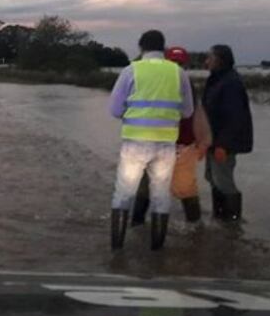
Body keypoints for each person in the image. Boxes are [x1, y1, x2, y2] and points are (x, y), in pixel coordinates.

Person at [108, 30, 194, 250]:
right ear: (163, 49)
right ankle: (157, 252)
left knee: (124, 194)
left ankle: (117, 250)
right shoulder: (178, 73)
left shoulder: (131, 71)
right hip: (166, 144)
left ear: (141, 47)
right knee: (160, 196)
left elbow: (115, 109)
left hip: (135, 143)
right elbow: (187, 112)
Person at [131, 46, 212, 224]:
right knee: (145, 188)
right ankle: (137, 225)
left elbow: (197, 114)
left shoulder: (186, 85)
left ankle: (195, 229)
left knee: (186, 188)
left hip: (182, 145)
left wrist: (203, 141)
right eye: (173, 62)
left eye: (180, 63)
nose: (177, 66)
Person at [202, 44, 253, 221]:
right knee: (212, 178)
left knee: (223, 181)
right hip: (212, 140)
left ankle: (232, 223)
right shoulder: (217, 79)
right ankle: (219, 218)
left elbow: (235, 117)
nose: (206, 61)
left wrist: (223, 145)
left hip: (223, 143)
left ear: (219, 60)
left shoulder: (231, 82)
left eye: (210, 57)